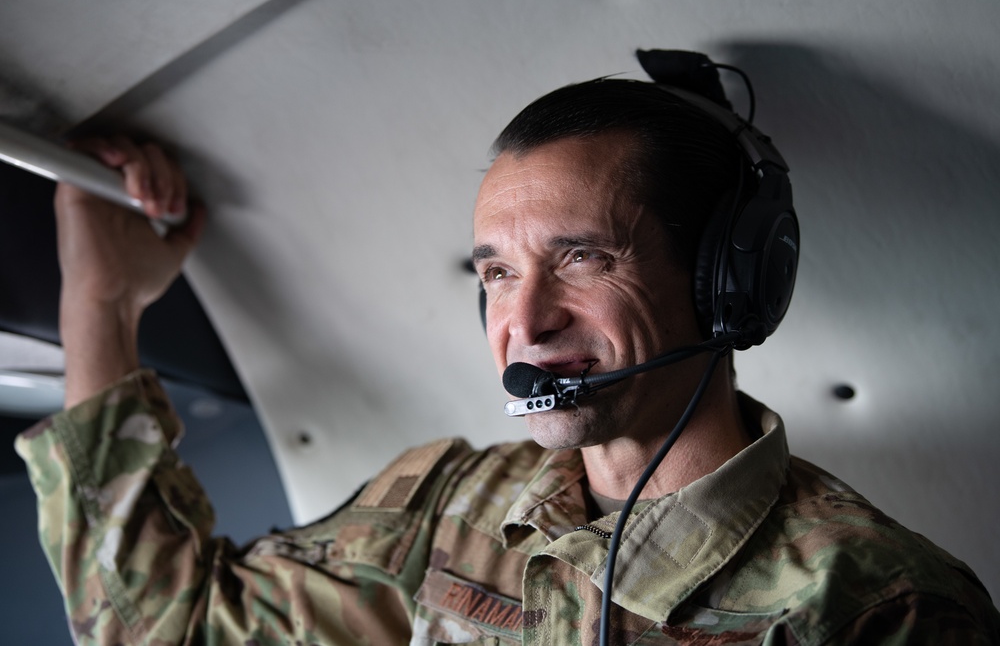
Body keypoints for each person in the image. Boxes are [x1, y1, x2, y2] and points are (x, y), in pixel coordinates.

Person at [17, 57, 1000, 645]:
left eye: (580, 258)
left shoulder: (878, 600)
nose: (522, 321)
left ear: (723, 282)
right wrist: (102, 295)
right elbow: (164, 626)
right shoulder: (448, 503)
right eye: (491, 272)